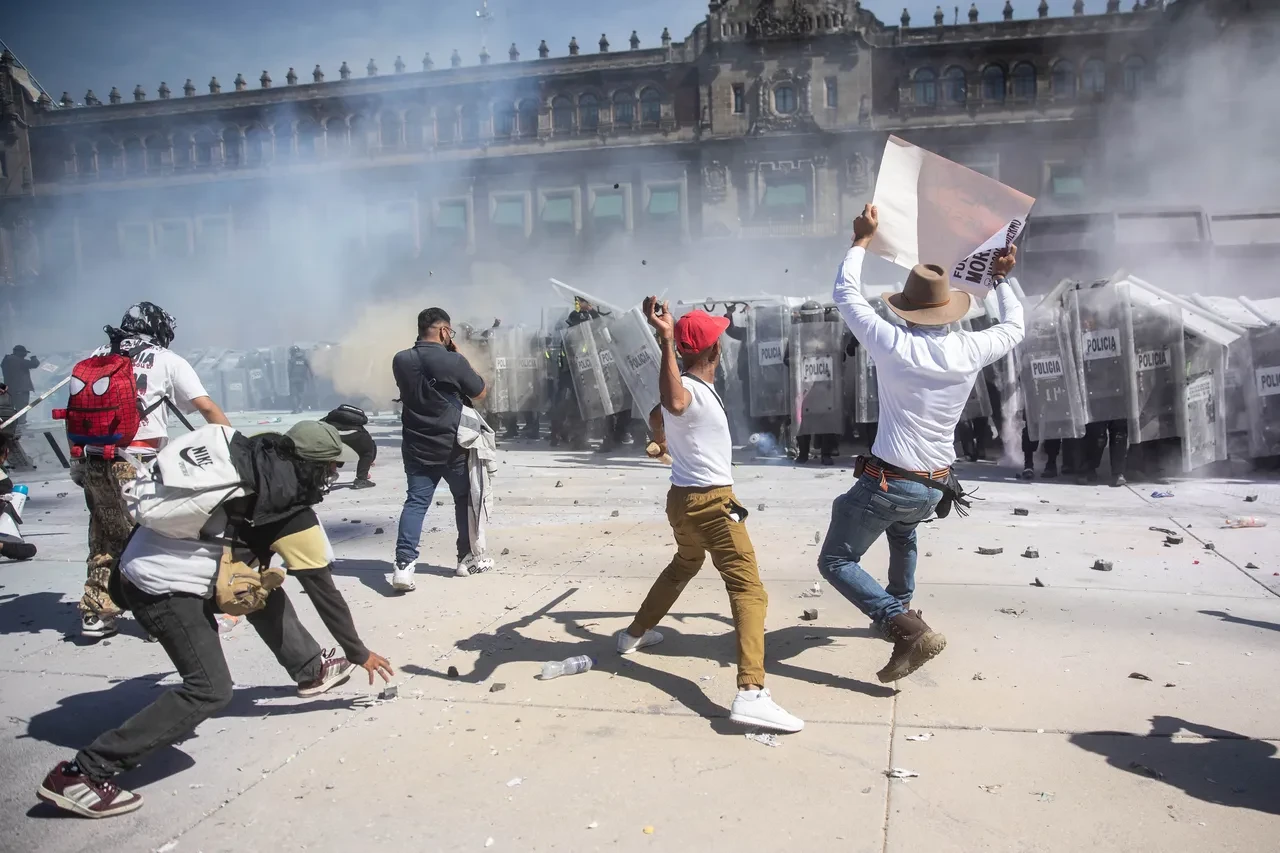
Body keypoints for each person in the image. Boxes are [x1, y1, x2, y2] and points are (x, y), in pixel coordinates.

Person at [35, 420, 394, 819]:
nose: (333, 475)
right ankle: (83, 774)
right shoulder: (287, 509)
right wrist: (358, 652)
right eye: (329, 468)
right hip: (164, 590)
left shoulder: (247, 464)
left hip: (136, 568)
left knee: (257, 588)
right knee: (210, 689)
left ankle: (310, 669)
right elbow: (323, 590)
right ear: (309, 466)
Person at [818, 204, 1024, 683]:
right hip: (935, 486)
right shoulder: (969, 348)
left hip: (891, 482)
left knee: (836, 560)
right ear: (948, 309)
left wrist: (860, 241)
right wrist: (1001, 279)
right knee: (903, 532)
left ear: (906, 308)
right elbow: (1014, 326)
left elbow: (845, 294)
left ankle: (904, 626)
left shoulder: (893, 343)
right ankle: (901, 603)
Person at [617, 299, 804, 733]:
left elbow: (660, 413)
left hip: (682, 503)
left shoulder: (686, 388)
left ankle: (633, 635)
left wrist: (662, 438)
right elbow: (675, 404)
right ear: (715, 351)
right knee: (749, 590)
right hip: (713, 505)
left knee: (684, 564)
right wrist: (665, 340)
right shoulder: (688, 391)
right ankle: (752, 692)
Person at [78, 303, 231, 640]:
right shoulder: (165, 359)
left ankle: (95, 611)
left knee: (102, 534)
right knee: (148, 541)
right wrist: (234, 446)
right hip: (136, 462)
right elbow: (204, 406)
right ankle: (156, 618)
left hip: (93, 459)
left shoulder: (100, 353)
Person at [391, 307, 490, 588]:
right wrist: (458, 358)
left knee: (416, 502)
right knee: (464, 500)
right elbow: (480, 391)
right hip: (451, 445)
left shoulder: (400, 360)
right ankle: (465, 559)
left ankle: (403, 566)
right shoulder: (453, 361)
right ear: (444, 331)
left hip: (415, 443)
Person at [321, 404, 376, 489]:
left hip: (332, 441)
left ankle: (327, 473)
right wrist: (368, 462)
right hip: (354, 440)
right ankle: (361, 480)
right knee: (367, 450)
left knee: (327, 449)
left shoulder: (329, 418)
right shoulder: (359, 425)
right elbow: (370, 446)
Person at [1, 345, 39, 427]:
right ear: (20, 353)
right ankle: (20, 426)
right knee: (22, 409)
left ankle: (12, 425)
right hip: (21, 389)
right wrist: (33, 357)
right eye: (24, 353)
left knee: (12, 409)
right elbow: (35, 364)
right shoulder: (17, 360)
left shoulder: (7, 360)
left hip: (10, 389)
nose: (25, 354)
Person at [287, 346, 314, 414]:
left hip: (293, 379)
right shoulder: (304, 359)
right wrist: (311, 377)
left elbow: (289, 370)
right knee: (301, 394)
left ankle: (295, 409)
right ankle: (300, 407)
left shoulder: (291, 360)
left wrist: (289, 378)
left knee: (294, 395)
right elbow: (310, 368)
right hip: (303, 379)